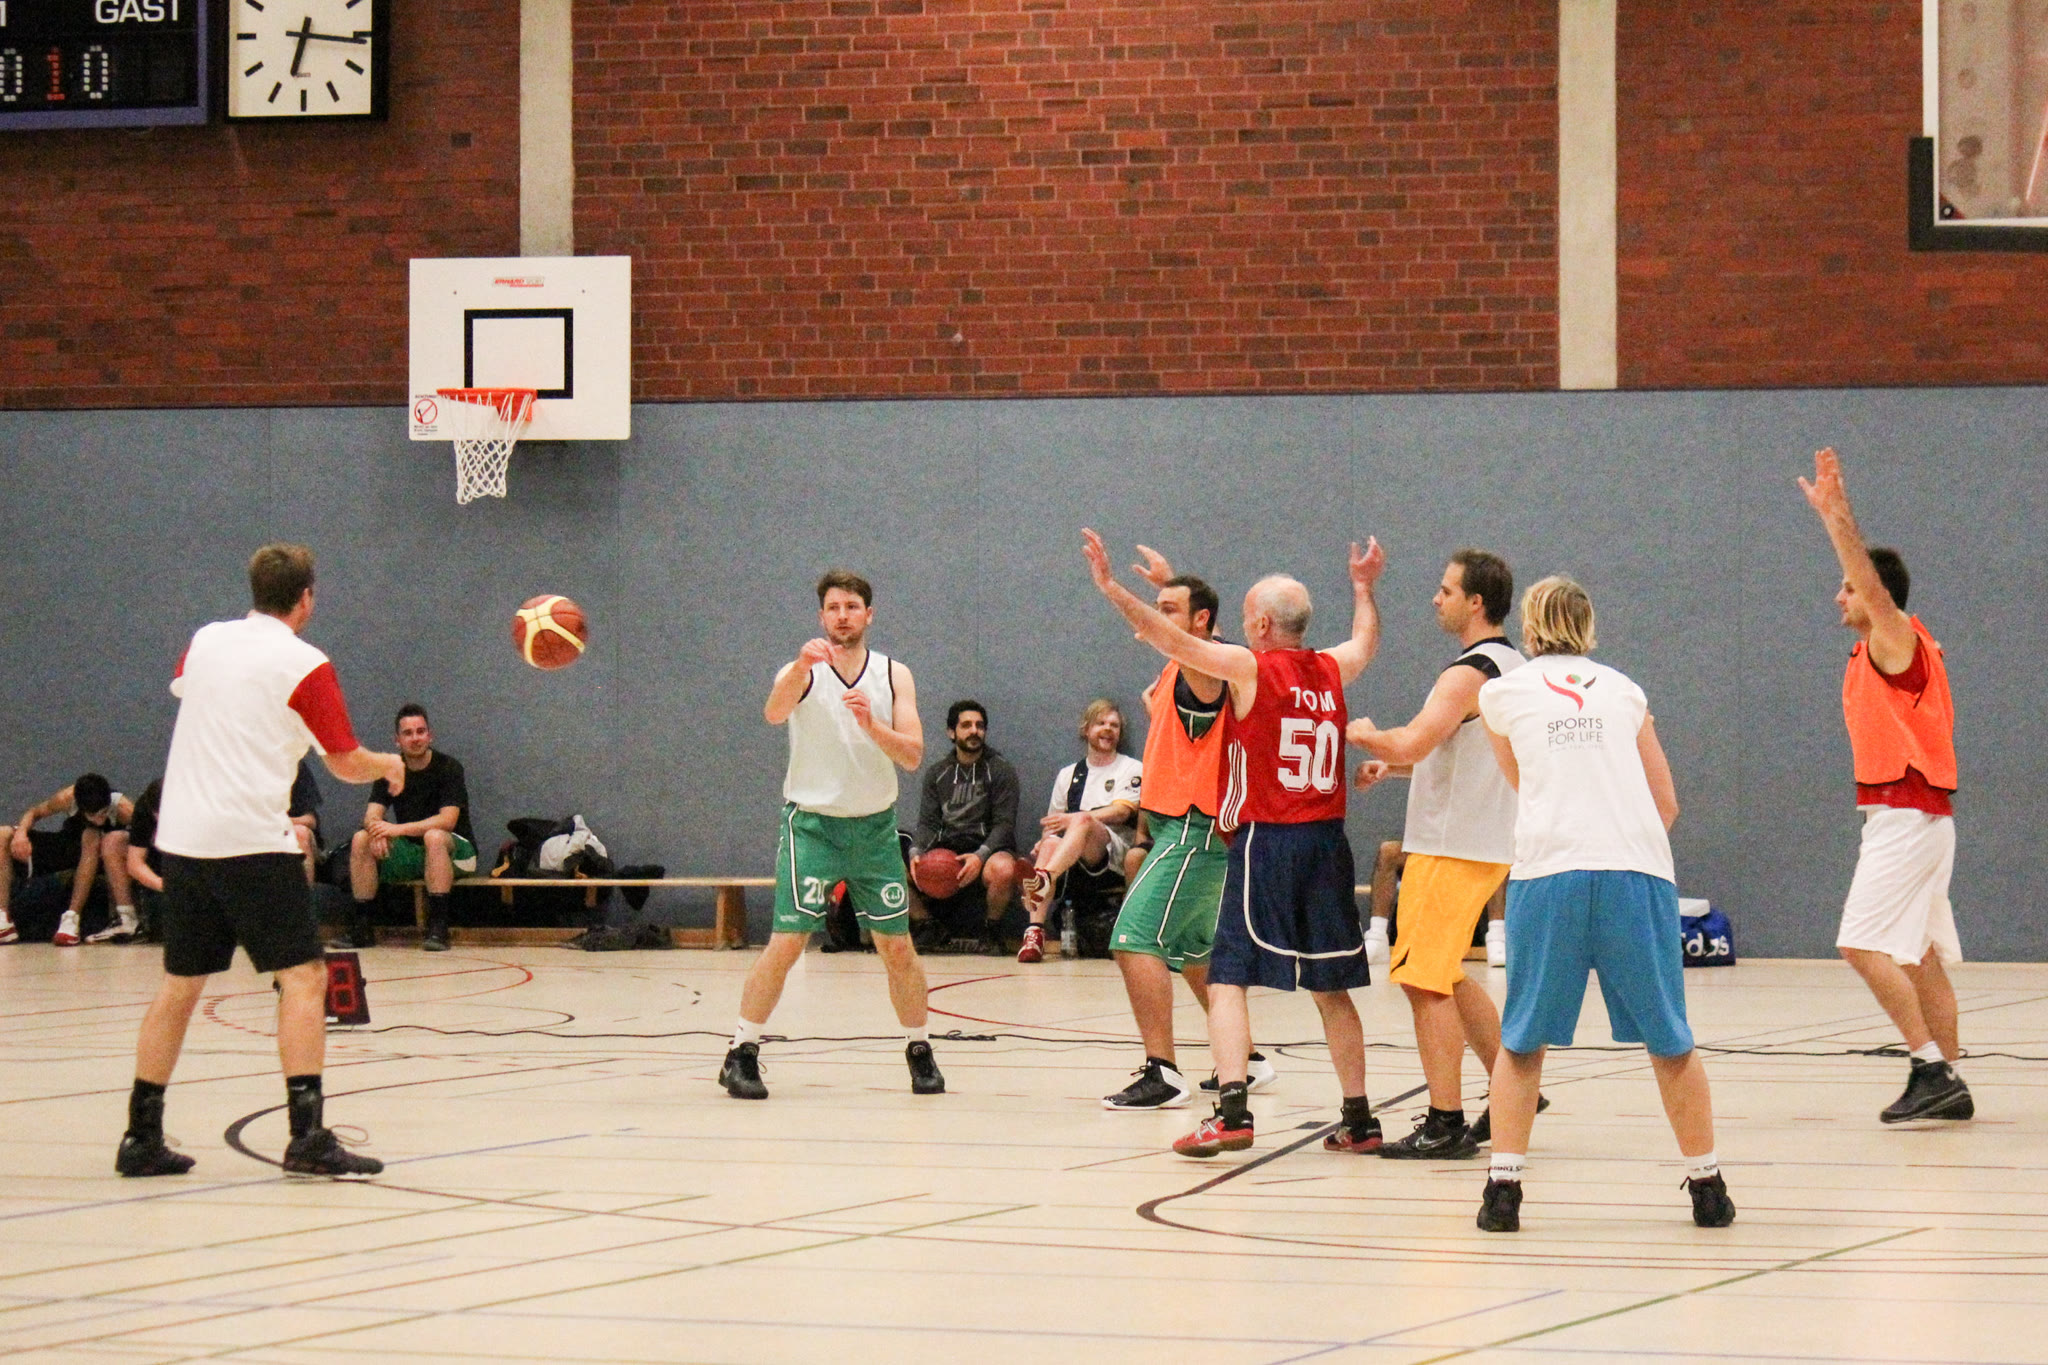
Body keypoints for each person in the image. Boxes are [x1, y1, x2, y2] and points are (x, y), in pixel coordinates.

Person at [1082, 528, 1386, 1159]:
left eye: (1249, 617)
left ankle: (1232, 1114)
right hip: (1328, 845)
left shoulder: (1251, 669)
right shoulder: (1332, 669)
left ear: (1263, 625)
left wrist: (1111, 589)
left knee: (1226, 980)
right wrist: (1363, 589)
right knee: (1331, 989)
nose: (1244, 627)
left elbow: (1172, 639)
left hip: (1268, 840)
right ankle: (1359, 1120)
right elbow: (1366, 640)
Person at [117, 542, 405, 1179]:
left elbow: (193, 689)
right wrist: (388, 764)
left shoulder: (205, 641)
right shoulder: (306, 663)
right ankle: (307, 1137)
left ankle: (140, 1135)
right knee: (303, 977)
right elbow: (343, 762)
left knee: (179, 985)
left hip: (184, 841)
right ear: (307, 598)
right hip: (250, 840)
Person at [1473, 575, 1733, 1232]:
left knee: (1522, 1040)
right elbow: (1666, 803)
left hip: (1549, 873)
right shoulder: (1625, 691)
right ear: (1588, 626)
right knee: (1670, 1039)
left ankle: (1503, 1192)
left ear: (1529, 627)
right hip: (1635, 873)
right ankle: (1708, 1187)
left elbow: (1522, 782)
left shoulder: (1500, 693)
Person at [721, 570, 944, 1101]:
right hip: (813, 826)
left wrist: (872, 727)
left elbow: (913, 755)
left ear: (869, 614)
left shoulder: (894, 673)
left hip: (874, 828)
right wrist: (800, 667)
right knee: (788, 941)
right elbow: (773, 713)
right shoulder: (800, 671)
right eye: (834, 607)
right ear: (821, 616)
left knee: (897, 947)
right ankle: (741, 1051)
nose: (843, 615)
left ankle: (919, 1048)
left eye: (852, 606)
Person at [1799, 447, 1971, 1124]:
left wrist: (1836, 517)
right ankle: (1947, 1079)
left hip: (1905, 814)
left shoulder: (1895, 638)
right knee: (1919, 955)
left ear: (1875, 594)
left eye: (1848, 586)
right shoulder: (1895, 646)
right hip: (1919, 818)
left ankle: (1929, 1065)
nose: (1839, 596)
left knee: (1860, 943)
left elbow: (1870, 585)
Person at [1348, 549, 1525, 1158]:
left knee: (1421, 980)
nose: (1435, 598)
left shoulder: (1467, 673)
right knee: (1444, 971)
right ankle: (1514, 1087)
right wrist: (1395, 767)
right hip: (1485, 842)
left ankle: (1445, 1121)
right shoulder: (1513, 665)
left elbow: (1415, 739)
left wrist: (1365, 734)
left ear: (1476, 602)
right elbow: (1463, 755)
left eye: (1446, 590)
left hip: (1450, 848)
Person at [1101, 549, 1278, 1109]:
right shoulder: (1200, 660)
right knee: (1197, 954)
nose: (1157, 619)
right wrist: (1170, 586)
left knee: (1133, 940)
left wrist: (1111, 587)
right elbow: (1189, 637)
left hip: (1194, 829)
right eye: (1159, 608)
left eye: (1170, 609)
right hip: (1188, 827)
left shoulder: (1204, 669)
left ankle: (1163, 1072)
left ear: (1201, 621)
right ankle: (1247, 1059)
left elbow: (1181, 640)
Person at [1017, 699, 1143, 962]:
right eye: (1101, 723)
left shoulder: (1131, 768)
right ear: (1086, 729)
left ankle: (1043, 879)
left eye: (1114, 725)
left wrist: (1075, 819)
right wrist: (1045, 842)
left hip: (1113, 854)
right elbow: (1052, 825)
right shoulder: (1068, 774)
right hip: (1072, 859)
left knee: (1083, 820)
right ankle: (1035, 932)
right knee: (1051, 844)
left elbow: (1122, 812)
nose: (1108, 729)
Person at [344, 705, 477, 952]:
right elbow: (372, 814)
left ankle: (438, 927)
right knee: (361, 838)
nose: (415, 738)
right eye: (408, 733)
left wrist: (397, 830)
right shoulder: (390, 771)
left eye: (420, 731)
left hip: (457, 850)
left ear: (430, 735)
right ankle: (362, 926)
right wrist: (376, 831)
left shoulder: (448, 767)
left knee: (434, 837)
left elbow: (447, 820)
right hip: (414, 851)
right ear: (397, 740)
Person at [907, 700, 1021, 949]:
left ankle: (991, 930)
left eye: (979, 726)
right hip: (947, 850)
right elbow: (928, 823)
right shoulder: (937, 773)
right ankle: (927, 925)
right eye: (966, 725)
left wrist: (980, 856)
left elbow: (1004, 825)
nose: (974, 731)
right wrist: (916, 852)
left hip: (987, 850)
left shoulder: (1001, 770)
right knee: (892, 867)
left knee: (1004, 869)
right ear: (951, 732)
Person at [1, 775, 137, 945]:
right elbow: (34, 812)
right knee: (3, 835)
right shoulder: (67, 798)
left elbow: (144, 839)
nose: (99, 820)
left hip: (104, 855)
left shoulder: (124, 809)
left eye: (103, 813)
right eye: (92, 815)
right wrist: (21, 835)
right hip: (69, 846)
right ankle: (3, 919)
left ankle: (71, 918)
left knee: (91, 834)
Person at [289, 757, 324, 885]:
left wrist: (276, 822)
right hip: (252, 835)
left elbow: (310, 821)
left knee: (300, 833)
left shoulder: (294, 765)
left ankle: (305, 895)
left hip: (285, 831)